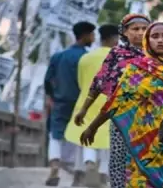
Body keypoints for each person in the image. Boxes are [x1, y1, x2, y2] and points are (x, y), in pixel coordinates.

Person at [80, 22, 163, 188]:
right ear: (147, 41)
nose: (160, 40)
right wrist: (93, 127)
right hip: (146, 142)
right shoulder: (137, 69)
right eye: (155, 36)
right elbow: (117, 101)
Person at [73, 14, 149, 188]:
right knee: (118, 160)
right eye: (135, 29)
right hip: (120, 116)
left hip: (150, 118)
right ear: (124, 32)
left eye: (144, 29)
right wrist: (84, 108)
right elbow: (99, 81)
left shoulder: (157, 55)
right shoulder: (117, 54)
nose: (140, 33)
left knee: (146, 161)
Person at [64, 24, 120, 188]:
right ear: (114, 38)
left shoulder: (86, 58)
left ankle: (88, 161)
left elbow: (81, 82)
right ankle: (104, 173)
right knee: (108, 138)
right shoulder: (119, 58)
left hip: (87, 101)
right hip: (109, 102)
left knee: (86, 135)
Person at [44, 21, 97, 186]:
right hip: (82, 103)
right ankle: (87, 166)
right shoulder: (88, 58)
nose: (94, 38)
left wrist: (52, 96)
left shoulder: (58, 56)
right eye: (92, 35)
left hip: (60, 101)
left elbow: (47, 80)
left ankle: (54, 165)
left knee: (55, 135)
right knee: (84, 136)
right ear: (86, 35)